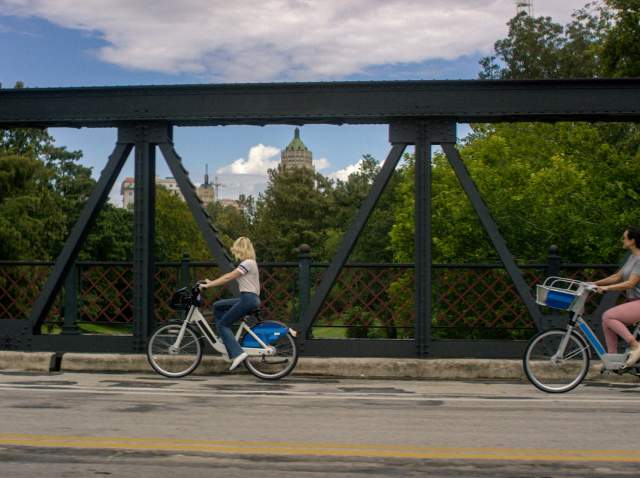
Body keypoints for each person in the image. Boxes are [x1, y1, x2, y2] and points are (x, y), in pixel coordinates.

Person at [199, 237, 261, 371]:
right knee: (218, 306)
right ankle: (224, 339)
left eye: (235, 250)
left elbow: (228, 277)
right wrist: (212, 281)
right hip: (250, 298)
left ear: (240, 249)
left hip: (247, 299)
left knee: (222, 324)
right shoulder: (251, 263)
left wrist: (209, 285)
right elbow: (228, 275)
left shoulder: (247, 263)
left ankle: (237, 353)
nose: (235, 254)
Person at [592, 228, 640, 368]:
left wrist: (607, 288)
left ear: (632, 241)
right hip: (634, 303)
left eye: (624, 238)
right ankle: (612, 360)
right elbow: (617, 277)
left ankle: (636, 346)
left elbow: (631, 283)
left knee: (608, 316)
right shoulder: (632, 258)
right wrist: (594, 283)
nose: (622, 240)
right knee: (606, 321)